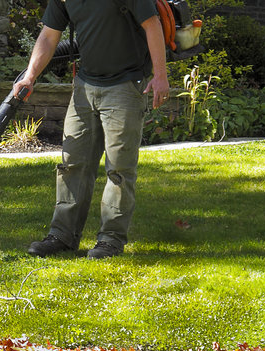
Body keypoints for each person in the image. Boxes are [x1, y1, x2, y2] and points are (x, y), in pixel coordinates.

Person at [14, 0, 170, 259]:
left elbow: (152, 24)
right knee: (71, 163)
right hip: (85, 86)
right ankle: (62, 235)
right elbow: (49, 34)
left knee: (119, 168)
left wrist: (161, 75)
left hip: (126, 84)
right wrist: (30, 75)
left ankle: (110, 240)